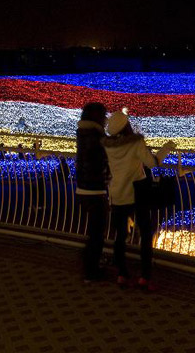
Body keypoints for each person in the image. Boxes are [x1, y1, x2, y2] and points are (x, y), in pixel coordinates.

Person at [102, 110, 171, 290]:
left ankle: (122, 274)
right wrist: (167, 148)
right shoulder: (135, 143)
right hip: (137, 192)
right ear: (127, 126)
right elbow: (152, 163)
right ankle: (144, 277)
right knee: (146, 233)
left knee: (120, 236)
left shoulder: (108, 146)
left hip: (116, 193)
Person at [75, 102, 110, 284]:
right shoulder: (97, 136)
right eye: (104, 116)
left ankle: (90, 264)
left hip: (82, 188)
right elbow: (103, 157)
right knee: (97, 233)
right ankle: (91, 271)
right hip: (94, 189)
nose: (105, 120)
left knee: (93, 232)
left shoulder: (82, 133)